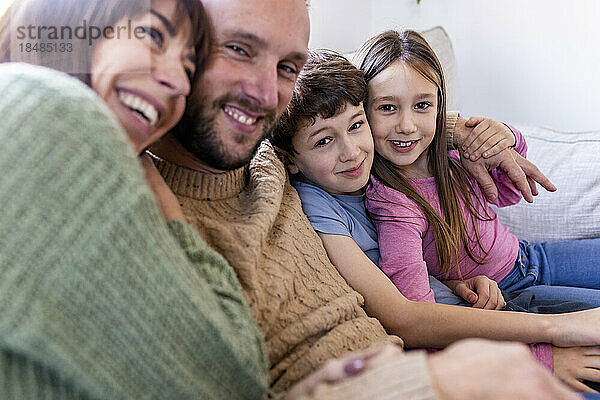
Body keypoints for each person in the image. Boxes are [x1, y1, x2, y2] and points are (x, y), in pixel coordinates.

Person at [149, 0, 600, 396]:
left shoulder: (336, 165)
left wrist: (464, 132)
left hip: (484, 303)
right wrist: (545, 344)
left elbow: (486, 191)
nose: (267, 93)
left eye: (287, 66)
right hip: (455, 350)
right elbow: (408, 313)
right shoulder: (336, 194)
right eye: (240, 50)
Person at [269, 47, 600, 392]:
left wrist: (466, 132)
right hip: (491, 329)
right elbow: (407, 316)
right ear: (289, 158)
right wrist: (552, 343)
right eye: (324, 141)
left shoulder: (379, 172)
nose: (351, 152)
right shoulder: (336, 203)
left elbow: (500, 194)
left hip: (498, 289)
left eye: (356, 126)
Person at [0, 0, 270, 398]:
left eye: (189, 67)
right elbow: (232, 380)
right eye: (152, 35)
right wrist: (163, 197)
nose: (180, 83)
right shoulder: (52, 114)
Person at [350, 30, 600, 311]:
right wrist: (454, 290)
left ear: (439, 106)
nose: (407, 125)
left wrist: (505, 138)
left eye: (422, 105)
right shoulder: (394, 203)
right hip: (508, 295)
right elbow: (416, 303)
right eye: (387, 107)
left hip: (530, 257)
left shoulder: (450, 154)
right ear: (362, 113)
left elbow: (508, 194)